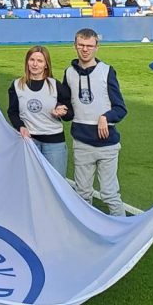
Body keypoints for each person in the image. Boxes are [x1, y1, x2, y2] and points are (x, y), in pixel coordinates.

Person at [62, 28, 127, 216]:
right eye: (81, 45)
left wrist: (106, 117)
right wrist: (61, 110)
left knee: (109, 194)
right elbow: (69, 109)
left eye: (89, 46)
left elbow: (121, 109)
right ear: (74, 46)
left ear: (97, 47)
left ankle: (123, 234)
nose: (85, 50)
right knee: (82, 194)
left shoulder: (107, 71)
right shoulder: (68, 73)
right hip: (82, 142)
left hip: (107, 144)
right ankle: (87, 234)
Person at [7, 46, 72, 175]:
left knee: (56, 184)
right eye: (32, 60)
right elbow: (12, 112)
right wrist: (20, 127)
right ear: (27, 62)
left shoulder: (55, 85)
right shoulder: (17, 85)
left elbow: (70, 113)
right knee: (30, 182)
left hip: (54, 143)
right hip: (29, 141)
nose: (35, 64)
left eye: (40, 61)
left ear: (46, 65)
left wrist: (63, 112)